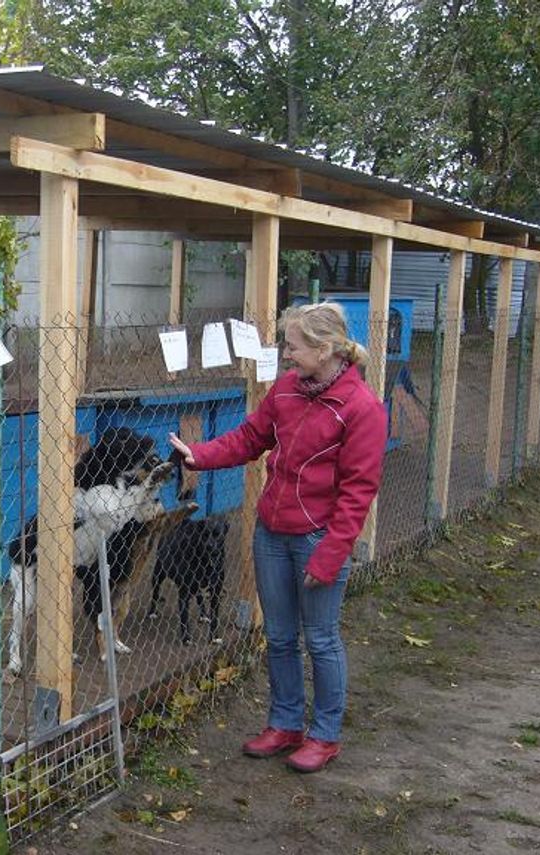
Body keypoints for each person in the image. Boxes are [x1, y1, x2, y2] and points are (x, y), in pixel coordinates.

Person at [168, 301, 386, 773]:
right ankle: (285, 723)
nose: (285, 355)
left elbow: (358, 493)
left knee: (321, 640)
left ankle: (324, 735)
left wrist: (330, 557)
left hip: (317, 539)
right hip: (272, 532)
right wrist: (198, 455)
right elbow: (249, 439)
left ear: (325, 348)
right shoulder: (286, 391)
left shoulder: (361, 408)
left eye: (293, 346)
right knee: (280, 636)